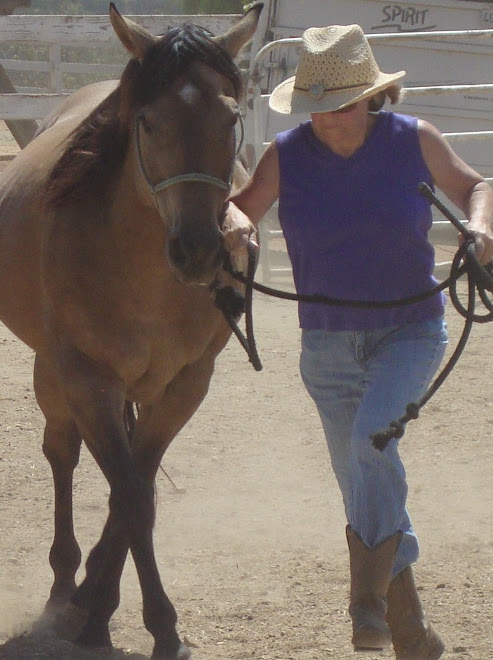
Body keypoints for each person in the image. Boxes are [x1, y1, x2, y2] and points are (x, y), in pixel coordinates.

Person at [222, 24, 493, 659]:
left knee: (373, 445)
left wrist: (480, 230)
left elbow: (478, 187)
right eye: (318, 106)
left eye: (341, 103)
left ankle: (365, 604)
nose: (328, 118)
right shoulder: (287, 154)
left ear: (371, 97)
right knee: (361, 480)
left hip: (410, 330)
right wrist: (234, 224)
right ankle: (413, 632)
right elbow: (239, 208)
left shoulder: (414, 140)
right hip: (325, 347)